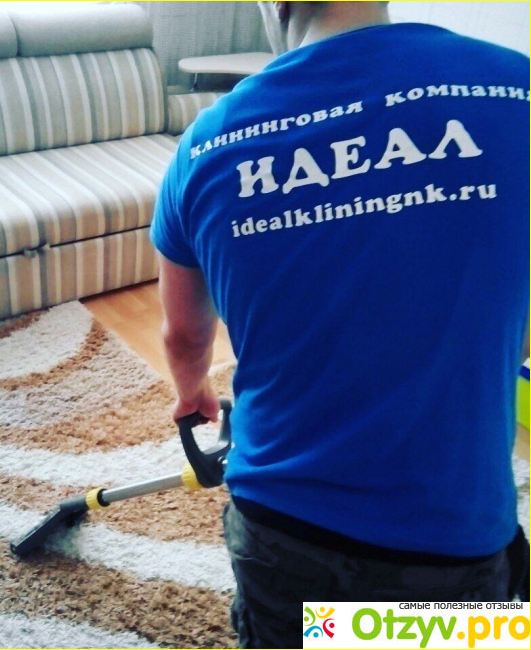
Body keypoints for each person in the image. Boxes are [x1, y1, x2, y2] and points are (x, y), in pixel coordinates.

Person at [151, 2, 530, 646]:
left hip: (280, 529)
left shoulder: (204, 146)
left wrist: (193, 393)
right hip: (450, 539)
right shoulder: (514, 88)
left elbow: (185, 336)